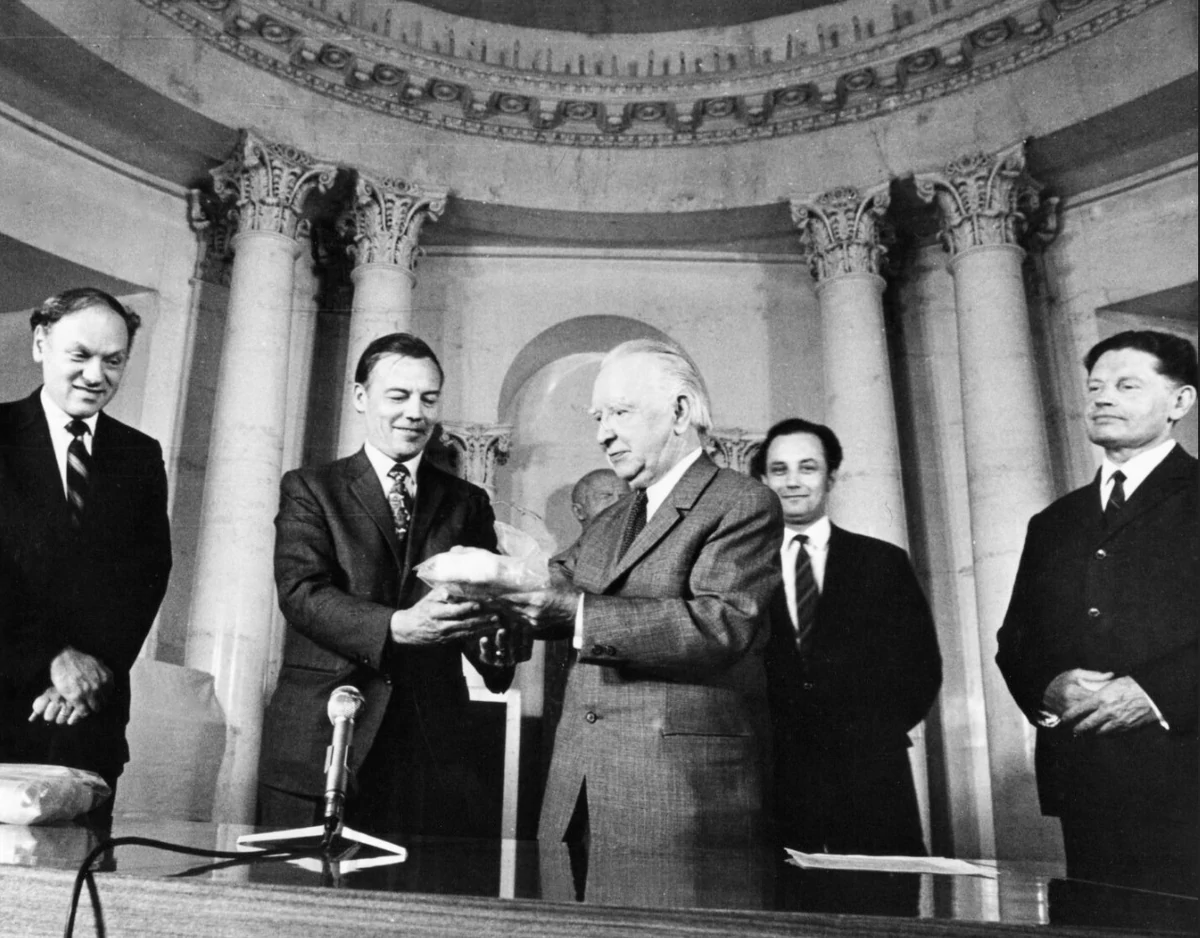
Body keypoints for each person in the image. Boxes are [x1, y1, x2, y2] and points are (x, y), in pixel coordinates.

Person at [505, 338, 783, 850]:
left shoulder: (743, 502)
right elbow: (549, 585)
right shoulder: (610, 519)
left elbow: (722, 623)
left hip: (682, 805)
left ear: (679, 412)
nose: (603, 434)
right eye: (597, 418)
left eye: (619, 412)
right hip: (576, 799)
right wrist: (494, 605)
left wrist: (577, 613)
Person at [259, 333, 515, 837]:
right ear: (361, 397)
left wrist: (500, 646)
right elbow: (301, 592)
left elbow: (485, 616)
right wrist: (398, 626)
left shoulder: (469, 502)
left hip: (430, 747)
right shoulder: (310, 488)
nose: (415, 413)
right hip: (323, 737)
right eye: (398, 396)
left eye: (429, 398)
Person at [997, 330, 1197, 896]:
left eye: (1127, 385)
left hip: (1186, 773)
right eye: (1094, 386)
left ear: (1180, 402)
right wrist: (1049, 688)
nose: (1102, 398)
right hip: (1085, 782)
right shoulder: (1054, 522)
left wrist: (1156, 692)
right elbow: (1015, 641)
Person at [0, 288, 172, 825]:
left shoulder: (140, 456)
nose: (96, 376)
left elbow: (148, 577)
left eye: (113, 360)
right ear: (40, 344)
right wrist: (51, 658)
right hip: (5, 702)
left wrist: (91, 671)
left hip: (87, 725)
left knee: (83, 891)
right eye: (80, 356)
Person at [753, 418, 941, 857]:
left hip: (871, 781)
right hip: (768, 782)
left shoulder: (883, 563)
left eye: (808, 468)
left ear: (831, 476)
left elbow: (921, 670)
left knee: (881, 916)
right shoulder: (737, 567)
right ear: (762, 480)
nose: (793, 482)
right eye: (779, 470)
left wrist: (865, 736)